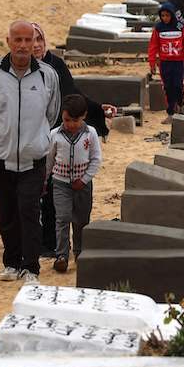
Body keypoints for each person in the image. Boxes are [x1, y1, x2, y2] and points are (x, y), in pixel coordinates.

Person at [0, 20, 61, 285]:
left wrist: (34, 138)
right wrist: (0, 137)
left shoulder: (48, 75)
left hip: (33, 158)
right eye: (19, 40)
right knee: (7, 213)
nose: (25, 46)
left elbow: (52, 113)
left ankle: (31, 268)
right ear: (9, 42)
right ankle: (11, 263)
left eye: (30, 40)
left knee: (29, 210)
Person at [30, 23, 110, 259]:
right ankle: (46, 242)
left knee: (57, 196)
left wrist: (97, 109)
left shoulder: (55, 64)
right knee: (40, 191)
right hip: (32, 135)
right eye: (29, 40)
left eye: (38, 40)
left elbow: (72, 92)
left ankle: (63, 248)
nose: (34, 45)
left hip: (58, 132)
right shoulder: (21, 69)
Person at [44, 94, 102, 273]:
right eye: (66, 120)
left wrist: (84, 179)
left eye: (74, 120)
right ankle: (61, 255)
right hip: (60, 184)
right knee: (62, 218)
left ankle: (79, 252)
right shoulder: (54, 135)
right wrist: (45, 181)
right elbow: (49, 161)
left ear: (83, 116)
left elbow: (96, 160)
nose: (70, 124)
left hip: (83, 185)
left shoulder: (90, 134)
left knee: (81, 220)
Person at [149, 1, 184, 117]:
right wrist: (152, 63)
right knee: (168, 87)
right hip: (164, 62)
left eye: (167, 15)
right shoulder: (158, 28)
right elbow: (153, 46)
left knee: (178, 85)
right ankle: (171, 113)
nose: (165, 18)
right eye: (162, 16)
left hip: (178, 62)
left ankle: (181, 102)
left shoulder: (180, 27)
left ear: (172, 15)